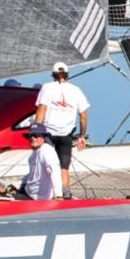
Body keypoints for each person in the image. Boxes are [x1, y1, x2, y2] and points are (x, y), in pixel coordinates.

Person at [34, 62, 89, 199]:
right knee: (64, 168)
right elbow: (83, 116)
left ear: (53, 74)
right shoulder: (76, 90)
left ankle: (46, 192)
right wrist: (82, 136)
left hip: (48, 133)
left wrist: (36, 130)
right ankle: (64, 194)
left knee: (46, 164)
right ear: (67, 74)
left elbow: (42, 109)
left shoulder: (47, 88)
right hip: (66, 135)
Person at [16, 123, 63, 200]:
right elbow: (33, 174)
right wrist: (17, 184)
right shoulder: (32, 155)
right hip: (28, 192)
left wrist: (58, 195)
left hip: (39, 198)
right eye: (30, 136)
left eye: (36, 135)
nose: (33, 138)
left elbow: (54, 170)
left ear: (43, 137)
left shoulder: (47, 150)